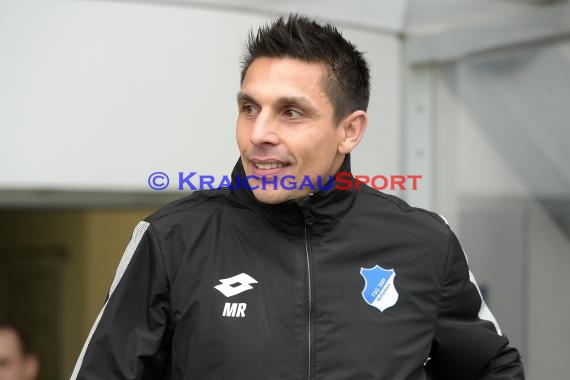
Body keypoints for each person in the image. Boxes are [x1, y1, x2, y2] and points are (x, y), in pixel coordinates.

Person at [70, 14, 525, 379]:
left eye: (290, 112)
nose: (259, 134)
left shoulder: (425, 243)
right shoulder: (171, 239)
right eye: (249, 108)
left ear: (350, 130)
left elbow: (492, 367)